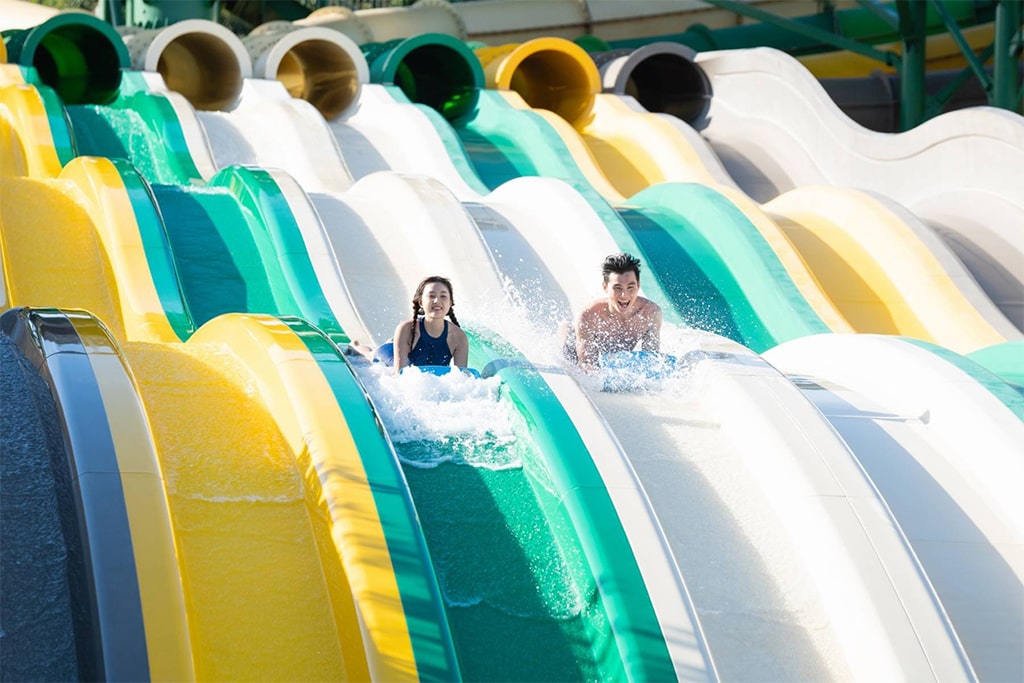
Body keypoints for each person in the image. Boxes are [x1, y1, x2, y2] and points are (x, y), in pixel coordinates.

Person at [347, 275, 469, 375]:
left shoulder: (459, 337)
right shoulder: (406, 329)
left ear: (450, 303)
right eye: (431, 296)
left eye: (443, 296)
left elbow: (461, 379)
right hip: (390, 356)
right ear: (421, 302)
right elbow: (400, 377)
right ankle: (356, 345)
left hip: (415, 358)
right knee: (369, 356)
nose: (437, 301)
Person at [561, 253, 662, 371]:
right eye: (617, 288)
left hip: (613, 358)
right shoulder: (589, 316)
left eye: (630, 287)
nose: (624, 296)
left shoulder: (651, 313)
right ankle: (565, 329)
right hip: (574, 348)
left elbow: (650, 361)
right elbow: (587, 367)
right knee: (568, 355)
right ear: (605, 287)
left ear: (638, 286)